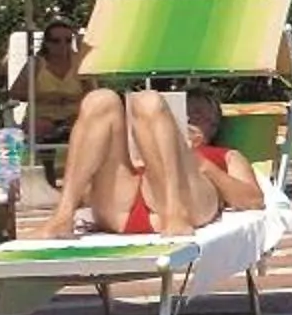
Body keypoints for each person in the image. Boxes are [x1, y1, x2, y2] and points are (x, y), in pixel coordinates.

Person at [46, 88, 265, 239]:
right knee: (99, 100)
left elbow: (254, 200)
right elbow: (88, 194)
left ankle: (174, 210)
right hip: (123, 206)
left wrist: (203, 164)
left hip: (186, 202)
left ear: (214, 126)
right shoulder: (145, 133)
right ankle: (63, 215)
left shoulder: (225, 155)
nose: (193, 118)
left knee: (148, 101)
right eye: (188, 114)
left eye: (201, 115)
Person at [6, 17, 88, 159]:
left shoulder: (80, 63)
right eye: (56, 41)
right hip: (43, 116)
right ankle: (46, 168)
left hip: (73, 116)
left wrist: (74, 98)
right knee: (43, 129)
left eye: (68, 40)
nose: (63, 45)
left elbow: (93, 93)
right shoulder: (36, 64)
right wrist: (44, 96)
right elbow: (15, 92)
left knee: (85, 127)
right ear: (47, 43)